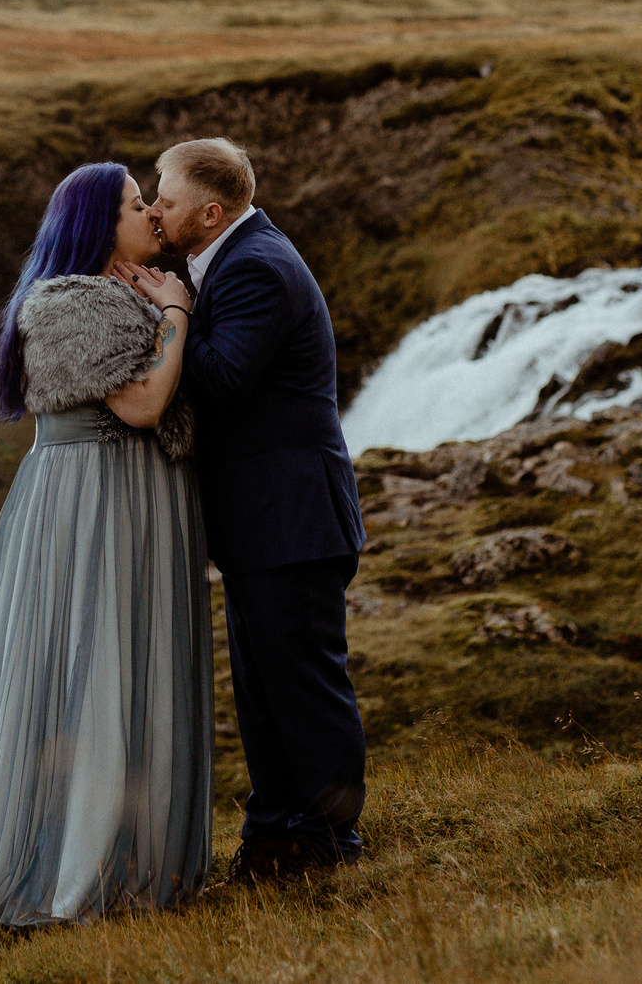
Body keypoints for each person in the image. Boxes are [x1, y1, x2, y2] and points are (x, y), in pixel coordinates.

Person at [0, 161, 212, 925]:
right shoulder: (69, 300)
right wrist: (176, 314)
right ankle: (80, 867)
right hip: (96, 501)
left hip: (132, 497)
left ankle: (134, 854)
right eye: (136, 205)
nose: (151, 214)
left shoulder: (123, 291)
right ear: (97, 225)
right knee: (96, 661)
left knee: (129, 656)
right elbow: (142, 405)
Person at [150, 136, 366, 879]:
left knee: (304, 687)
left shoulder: (257, 268)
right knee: (265, 691)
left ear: (210, 213)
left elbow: (221, 377)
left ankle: (331, 841)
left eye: (167, 198)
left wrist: (172, 313)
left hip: (292, 517)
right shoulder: (235, 257)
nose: (155, 209)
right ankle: (275, 835)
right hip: (265, 521)